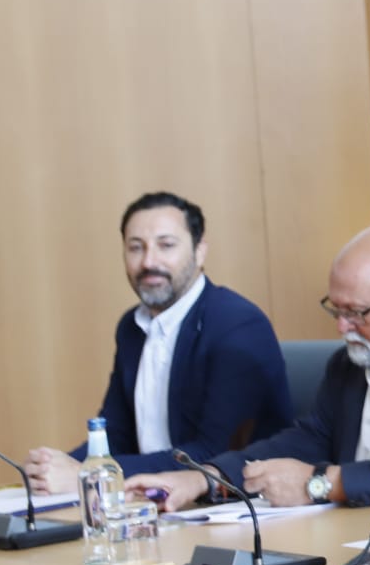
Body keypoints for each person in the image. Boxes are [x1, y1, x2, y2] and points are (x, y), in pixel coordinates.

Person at [127, 225, 370, 510]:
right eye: (336, 310)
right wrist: (205, 477)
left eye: (356, 312)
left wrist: (321, 484)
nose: (342, 327)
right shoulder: (350, 363)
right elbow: (307, 440)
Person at [24, 192, 291, 489]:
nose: (149, 261)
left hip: (233, 499)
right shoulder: (131, 327)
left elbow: (214, 454)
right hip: (153, 497)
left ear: (200, 251)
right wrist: (53, 467)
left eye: (166, 245)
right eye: (136, 247)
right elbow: (117, 434)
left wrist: (89, 473)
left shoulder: (238, 325)